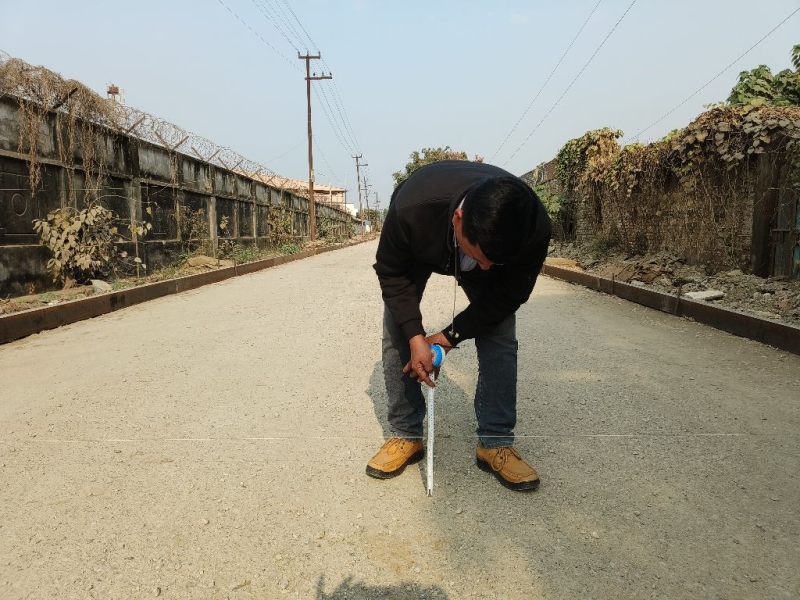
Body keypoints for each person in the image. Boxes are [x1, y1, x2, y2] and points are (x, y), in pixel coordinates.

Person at [367, 160, 552, 491]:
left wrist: (448, 337)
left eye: (495, 262)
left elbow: (507, 296)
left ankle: (495, 441)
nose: (485, 269)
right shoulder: (412, 208)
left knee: (500, 329)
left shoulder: (532, 225)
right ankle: (406, 434)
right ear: (458, 219)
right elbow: (392, 274)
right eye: (480, 257)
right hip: (423, 243)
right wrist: (415, 336)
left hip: (480, 242)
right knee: (396, 325)